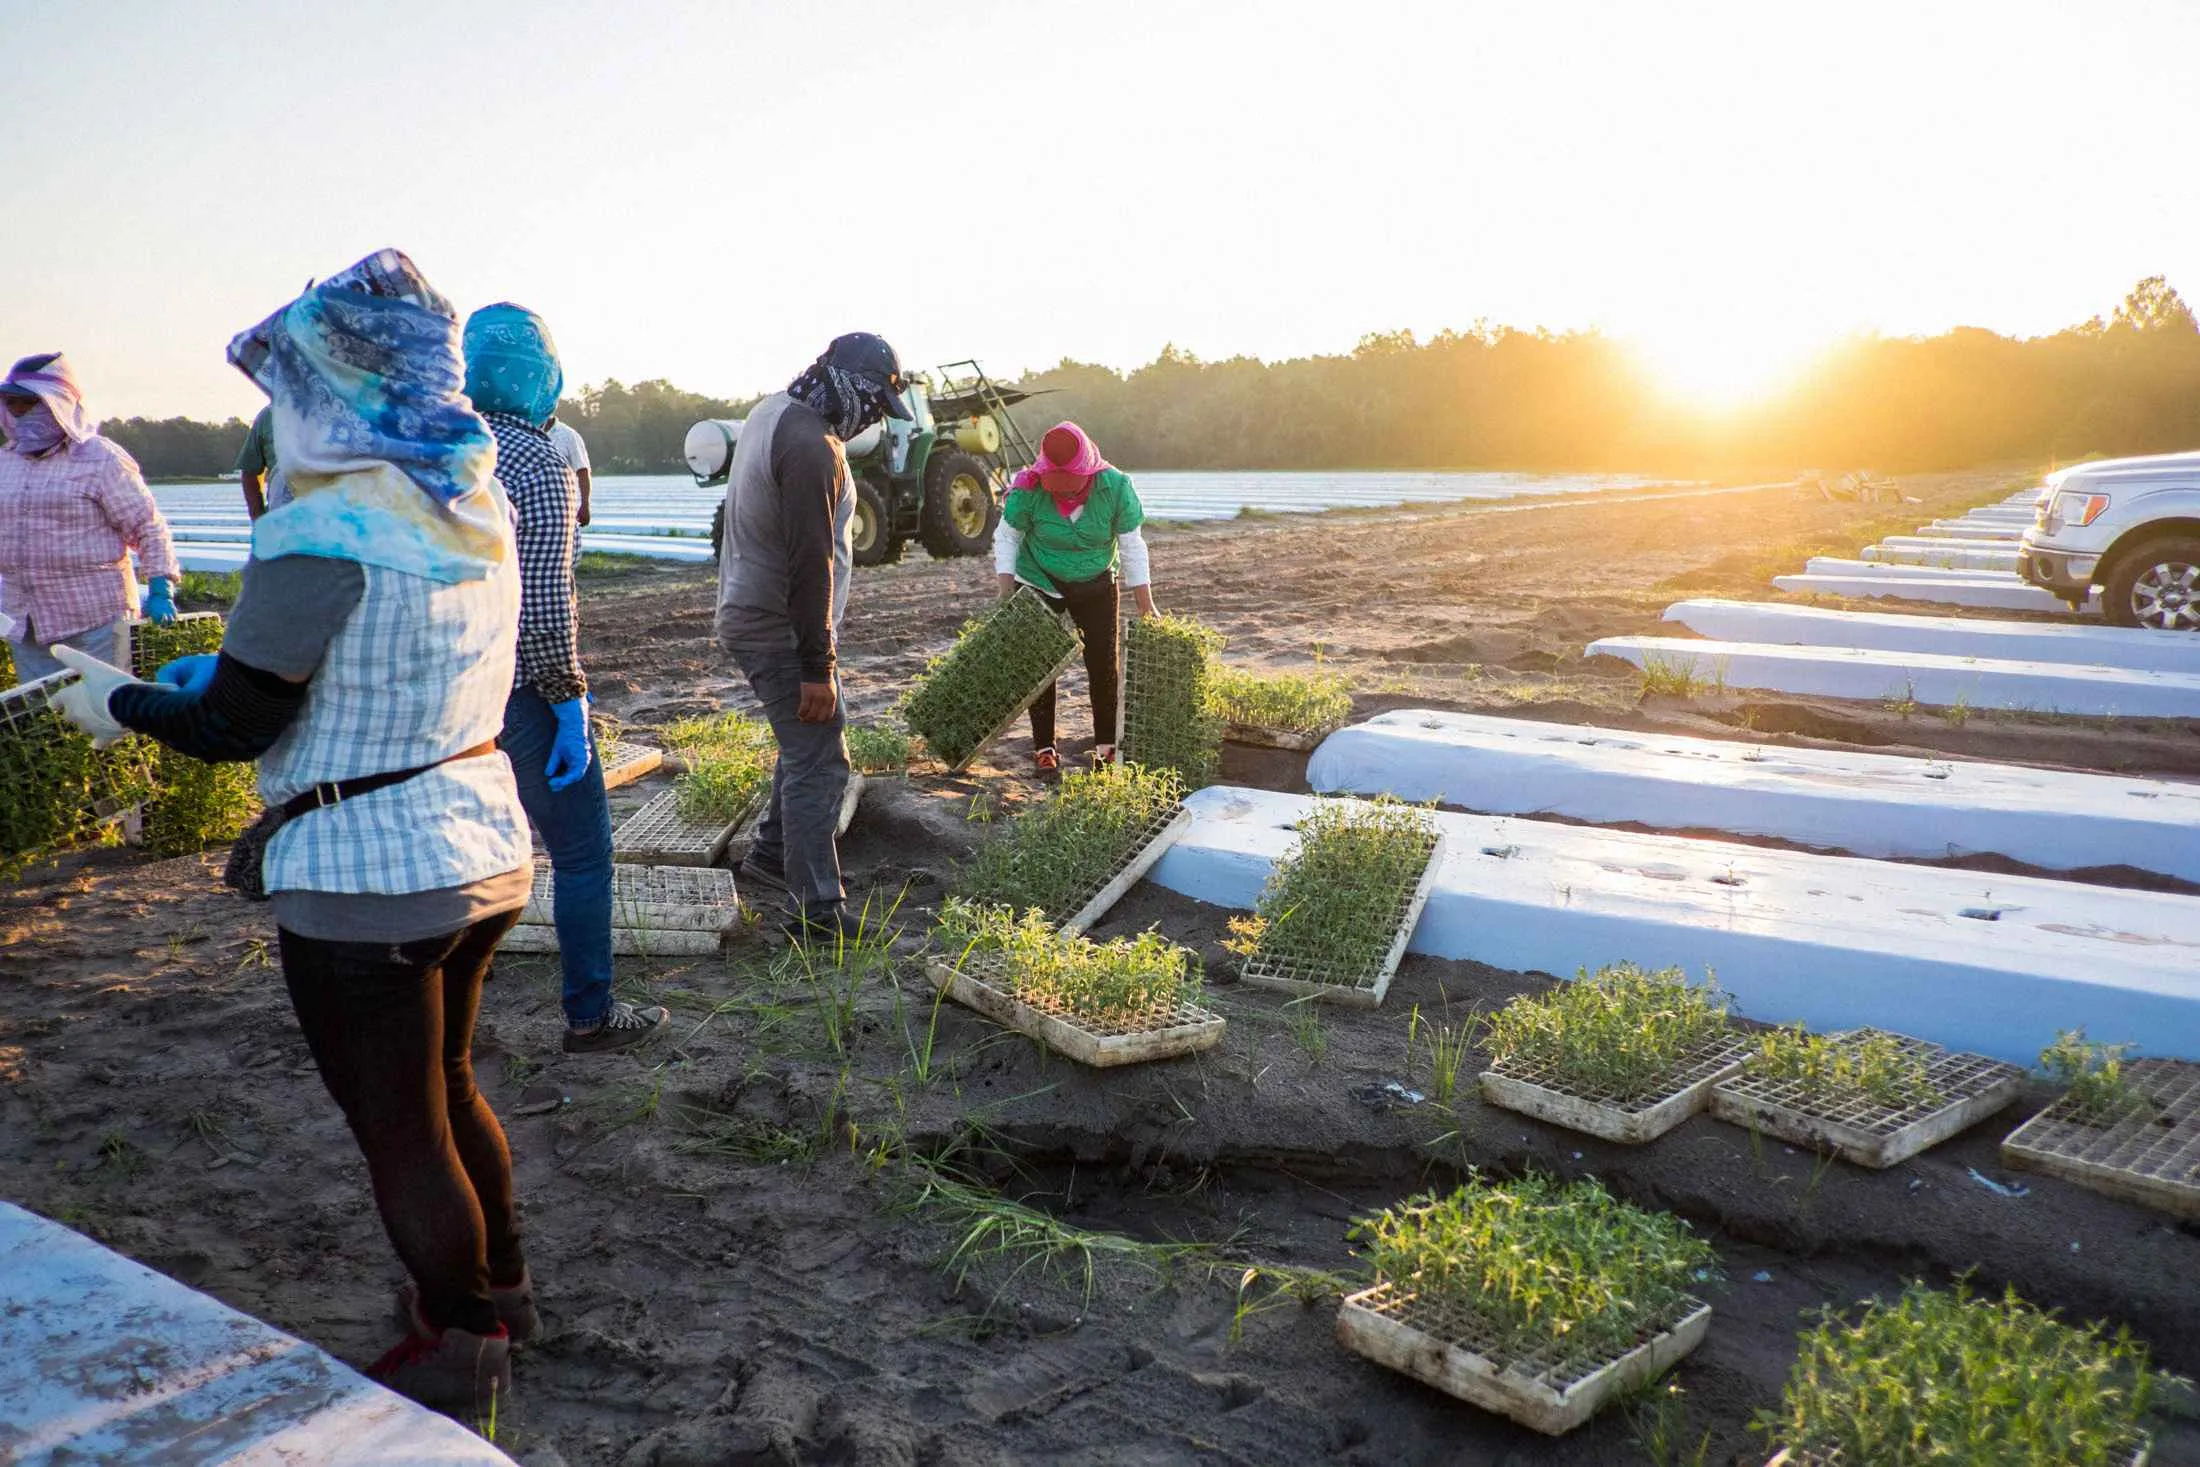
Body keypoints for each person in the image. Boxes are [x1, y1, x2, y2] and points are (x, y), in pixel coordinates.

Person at [51, 250, 536, 1416]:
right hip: (483, 841)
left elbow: (231, 725)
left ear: (335, 390)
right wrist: (216, 664)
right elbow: (361, 660)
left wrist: (113, 701)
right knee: (455, 1084)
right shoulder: (474, 497)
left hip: (367, 875)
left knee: (400, 1129)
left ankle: (460, 1339)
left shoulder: (324, 528)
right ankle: (508, 1291)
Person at [463, 302, 667, 1052]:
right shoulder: (536, 463)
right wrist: (571, 706)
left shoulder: (441, 449)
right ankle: (591, 1011)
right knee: (581, 852)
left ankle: (451, 1013)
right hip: (517, 691)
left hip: (448, 695)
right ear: (542, 375)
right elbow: (546, 610)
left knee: (477, 847)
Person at [717, 332, 910, 942]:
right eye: (873, 403)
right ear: (847, 386)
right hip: (778, 622)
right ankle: (817, 913)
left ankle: (773, 858)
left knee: (801, 746)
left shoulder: (773, 412)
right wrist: (817, 665)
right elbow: (810, 561)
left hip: (758, 610)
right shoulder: (810, 446)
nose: (872, 418)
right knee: (823, 760)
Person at [0, 353, 180, 684]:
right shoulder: (5, 462)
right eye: (11, 403)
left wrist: (160, 586)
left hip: (94, 617)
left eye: (27, 404)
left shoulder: (99, 459)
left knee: (105, 710)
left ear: (57, 404)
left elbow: (148, 526)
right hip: (26, 618)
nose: (17, 413)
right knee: (47, 717)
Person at [995, 422, 1157, 771]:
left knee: (1102, 661)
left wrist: (1147, 607)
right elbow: (1007, 537)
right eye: (1056, 483)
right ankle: (1044, 749)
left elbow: (1131, 546)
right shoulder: (1029, 486)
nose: (1063, 492)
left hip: (1096, 578)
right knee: (1038, 664)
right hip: (1038, 576)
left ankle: (1106, 747)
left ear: (1086, 470)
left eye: (1070, 483)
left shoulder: (1116, 487)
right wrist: (1006, 592)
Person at [548, 417, 591, 526]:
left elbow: (583, 471)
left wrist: (585, 505)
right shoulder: (526, 433)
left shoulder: (568, 435)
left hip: (563, 507)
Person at [236, 403, 276, 518]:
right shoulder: (268, 415)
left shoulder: (331, 411)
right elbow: (249, 471)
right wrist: (258, 519)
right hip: (282, 523)